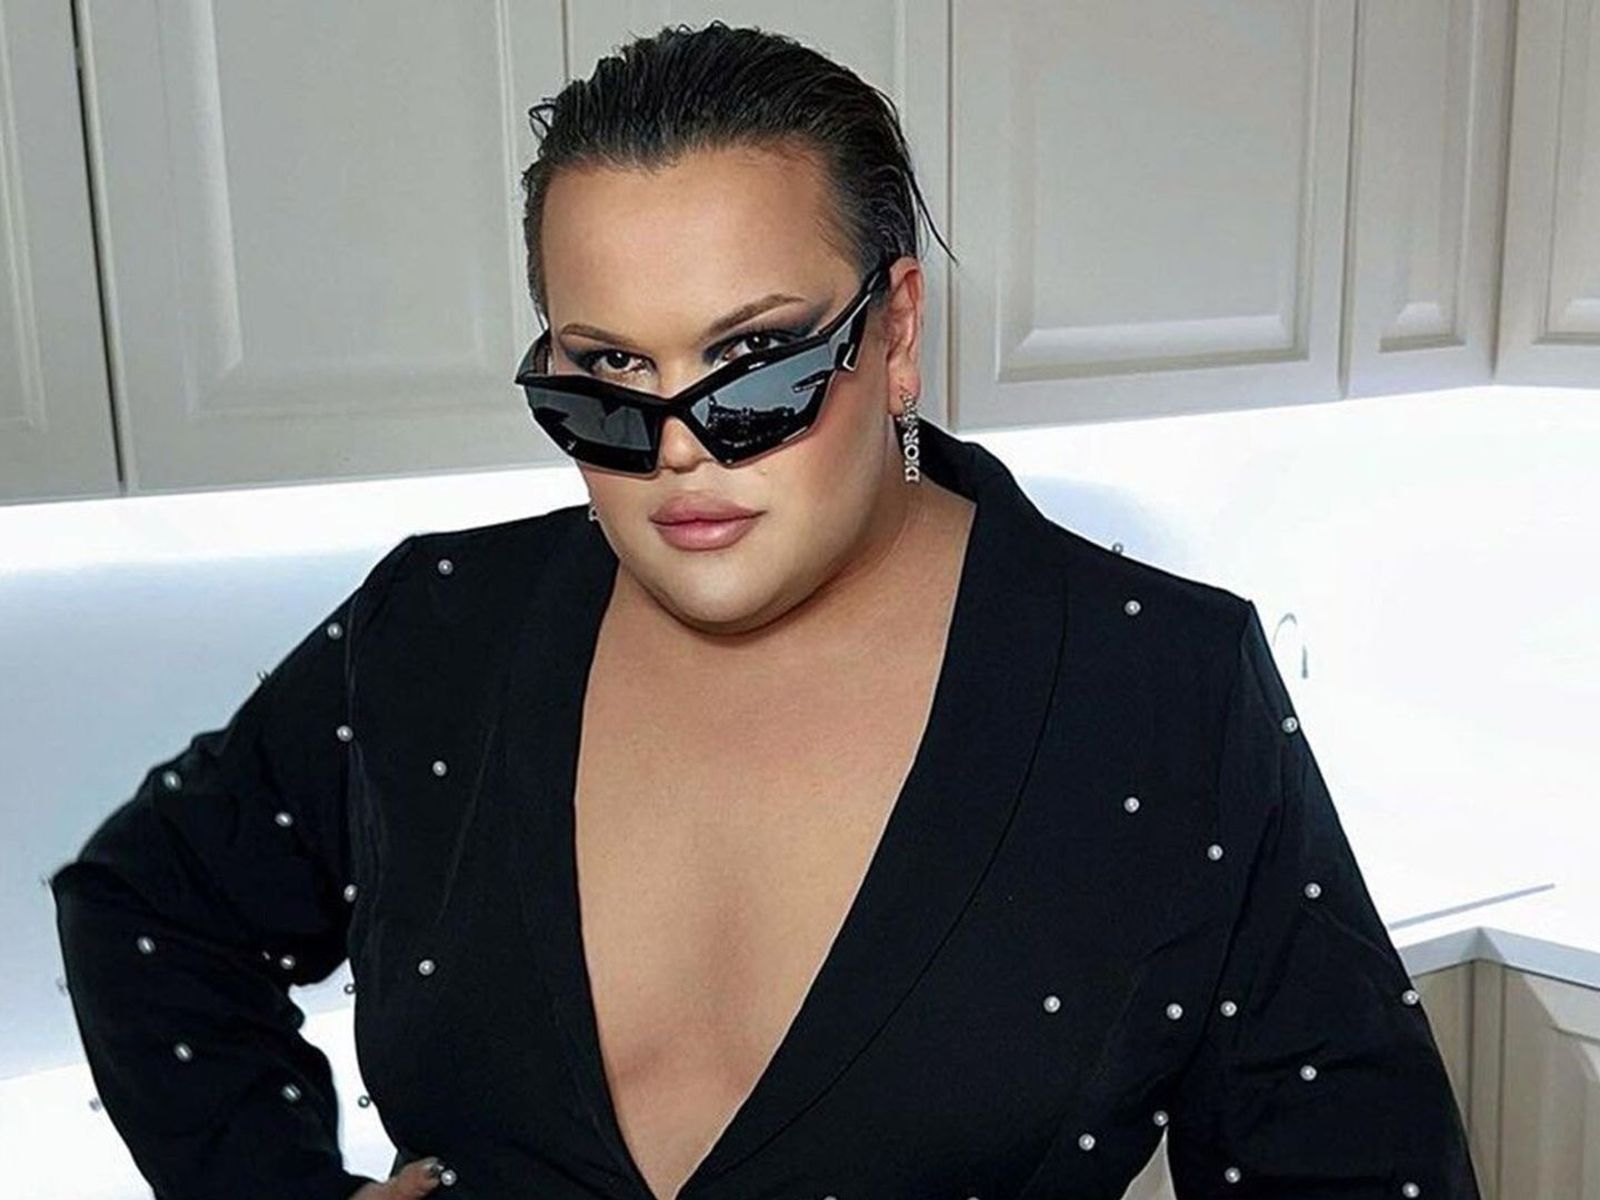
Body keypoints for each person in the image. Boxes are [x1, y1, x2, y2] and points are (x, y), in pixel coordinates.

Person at [49, 20, 1483, 1200]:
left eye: (758, 368)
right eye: (607, 376)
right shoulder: (435, 630)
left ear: (897, 331)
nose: (679, 448)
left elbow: (1361, 1171)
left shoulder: (1162, 691)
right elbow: (145, 912)